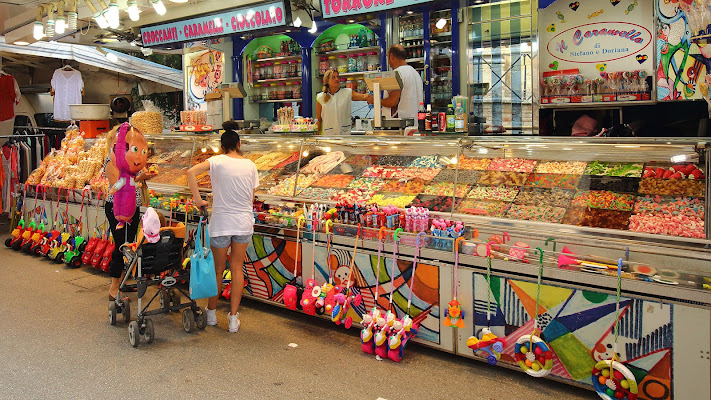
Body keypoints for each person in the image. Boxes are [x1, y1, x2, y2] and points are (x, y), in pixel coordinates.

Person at [187, 121, 259, 333]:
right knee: (237, 269)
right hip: (243, 223)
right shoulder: (250, 165)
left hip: (220, 223)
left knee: (218, 270)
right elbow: (251, 198)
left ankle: (211, 314)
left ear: (222, 146)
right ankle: (233, 319)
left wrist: (198, 199)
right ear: (238, 143)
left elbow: (191, 172)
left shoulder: (216, 161)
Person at [104, 124, 157, 303]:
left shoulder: (130, 160)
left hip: (133, 208)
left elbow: (135, 181)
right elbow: (115, 184)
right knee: (122, 246)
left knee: (132, 245)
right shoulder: (112, 161)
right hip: (117, 209)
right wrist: (138, 178)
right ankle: (113, 288)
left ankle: (125, 281)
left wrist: (144, 175)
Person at [367, 44, 424, 123]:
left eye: (387, 57)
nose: (388, 61)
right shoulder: (415, 73)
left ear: (392, 56)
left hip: (400, 125)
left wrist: (374, 100)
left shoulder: (397, 74)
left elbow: (392, 101)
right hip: (416, 123)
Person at [316, 69, 371, 135]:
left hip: (344, 134)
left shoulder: (347, 92)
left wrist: (373, 94)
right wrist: (316, 135)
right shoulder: (320, 97)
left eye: (337, 77)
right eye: (333, 77)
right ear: (327, 81)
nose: (337, 79)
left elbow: (363, 97)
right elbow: (318, 119)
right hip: (327, 135)